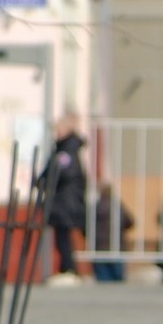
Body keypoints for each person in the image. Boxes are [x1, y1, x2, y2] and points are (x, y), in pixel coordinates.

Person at [43, 115, 87, 278]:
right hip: (63, 200)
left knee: (64, 238)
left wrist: (45, 180)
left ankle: (68, 270)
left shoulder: (67, 150)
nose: (56, 132)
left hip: (65, 201)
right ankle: (66, 269)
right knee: (61, 237)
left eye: (59, 129)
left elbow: (62, 173)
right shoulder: (64, 148)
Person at [89, 181, 133, 282]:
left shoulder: (95, 207)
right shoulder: (118, 207)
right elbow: (130, 222)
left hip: (99, 246)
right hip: (116, 245)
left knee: (102, 279)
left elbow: (86, 226)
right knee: (118, 280)